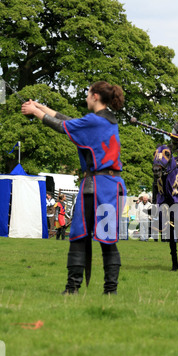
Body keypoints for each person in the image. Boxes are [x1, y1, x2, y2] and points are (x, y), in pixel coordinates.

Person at [21, 80, 126, 295]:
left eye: (88, 94)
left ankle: (73, 288)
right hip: (110, 185)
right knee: (106, 239)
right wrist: (40, 107)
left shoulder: (95, 121)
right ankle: (110, 291)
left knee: (79, 235)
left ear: (95, 96)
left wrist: (34, 112)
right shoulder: (105, 121)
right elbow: (70, 121)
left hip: (97, 186)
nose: (86, 97)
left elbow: (62, 126)